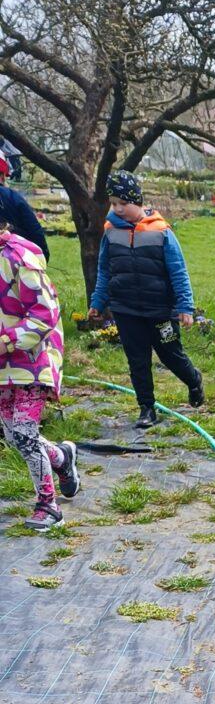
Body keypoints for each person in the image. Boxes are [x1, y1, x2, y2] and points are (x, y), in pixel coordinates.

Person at [87, 170, 204, 431]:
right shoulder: (110, 232)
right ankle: (147, 408)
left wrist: (185, 307)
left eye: (123, 203)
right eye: (113, 203)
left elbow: (178, 271)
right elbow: (105, 270)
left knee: (171, 355)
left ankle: (193, 379)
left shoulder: (160, 231)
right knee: (137, 360)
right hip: (125, 308)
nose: (118, 209)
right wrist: (98, 301)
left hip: (159, 310)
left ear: (137, 200)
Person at [0, 227, 79, 531]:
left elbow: (44, 313)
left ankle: (48, 506)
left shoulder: (19, 257)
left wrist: (7, 340)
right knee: (13, 435)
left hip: (33, 360)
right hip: (3, 366)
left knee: (24, 432)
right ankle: (61, 457)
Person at [0, 180, 49, 261]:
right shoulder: (12, 195)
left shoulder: (11, 196)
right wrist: (43, 255)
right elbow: (34, 228)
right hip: (17, 258)